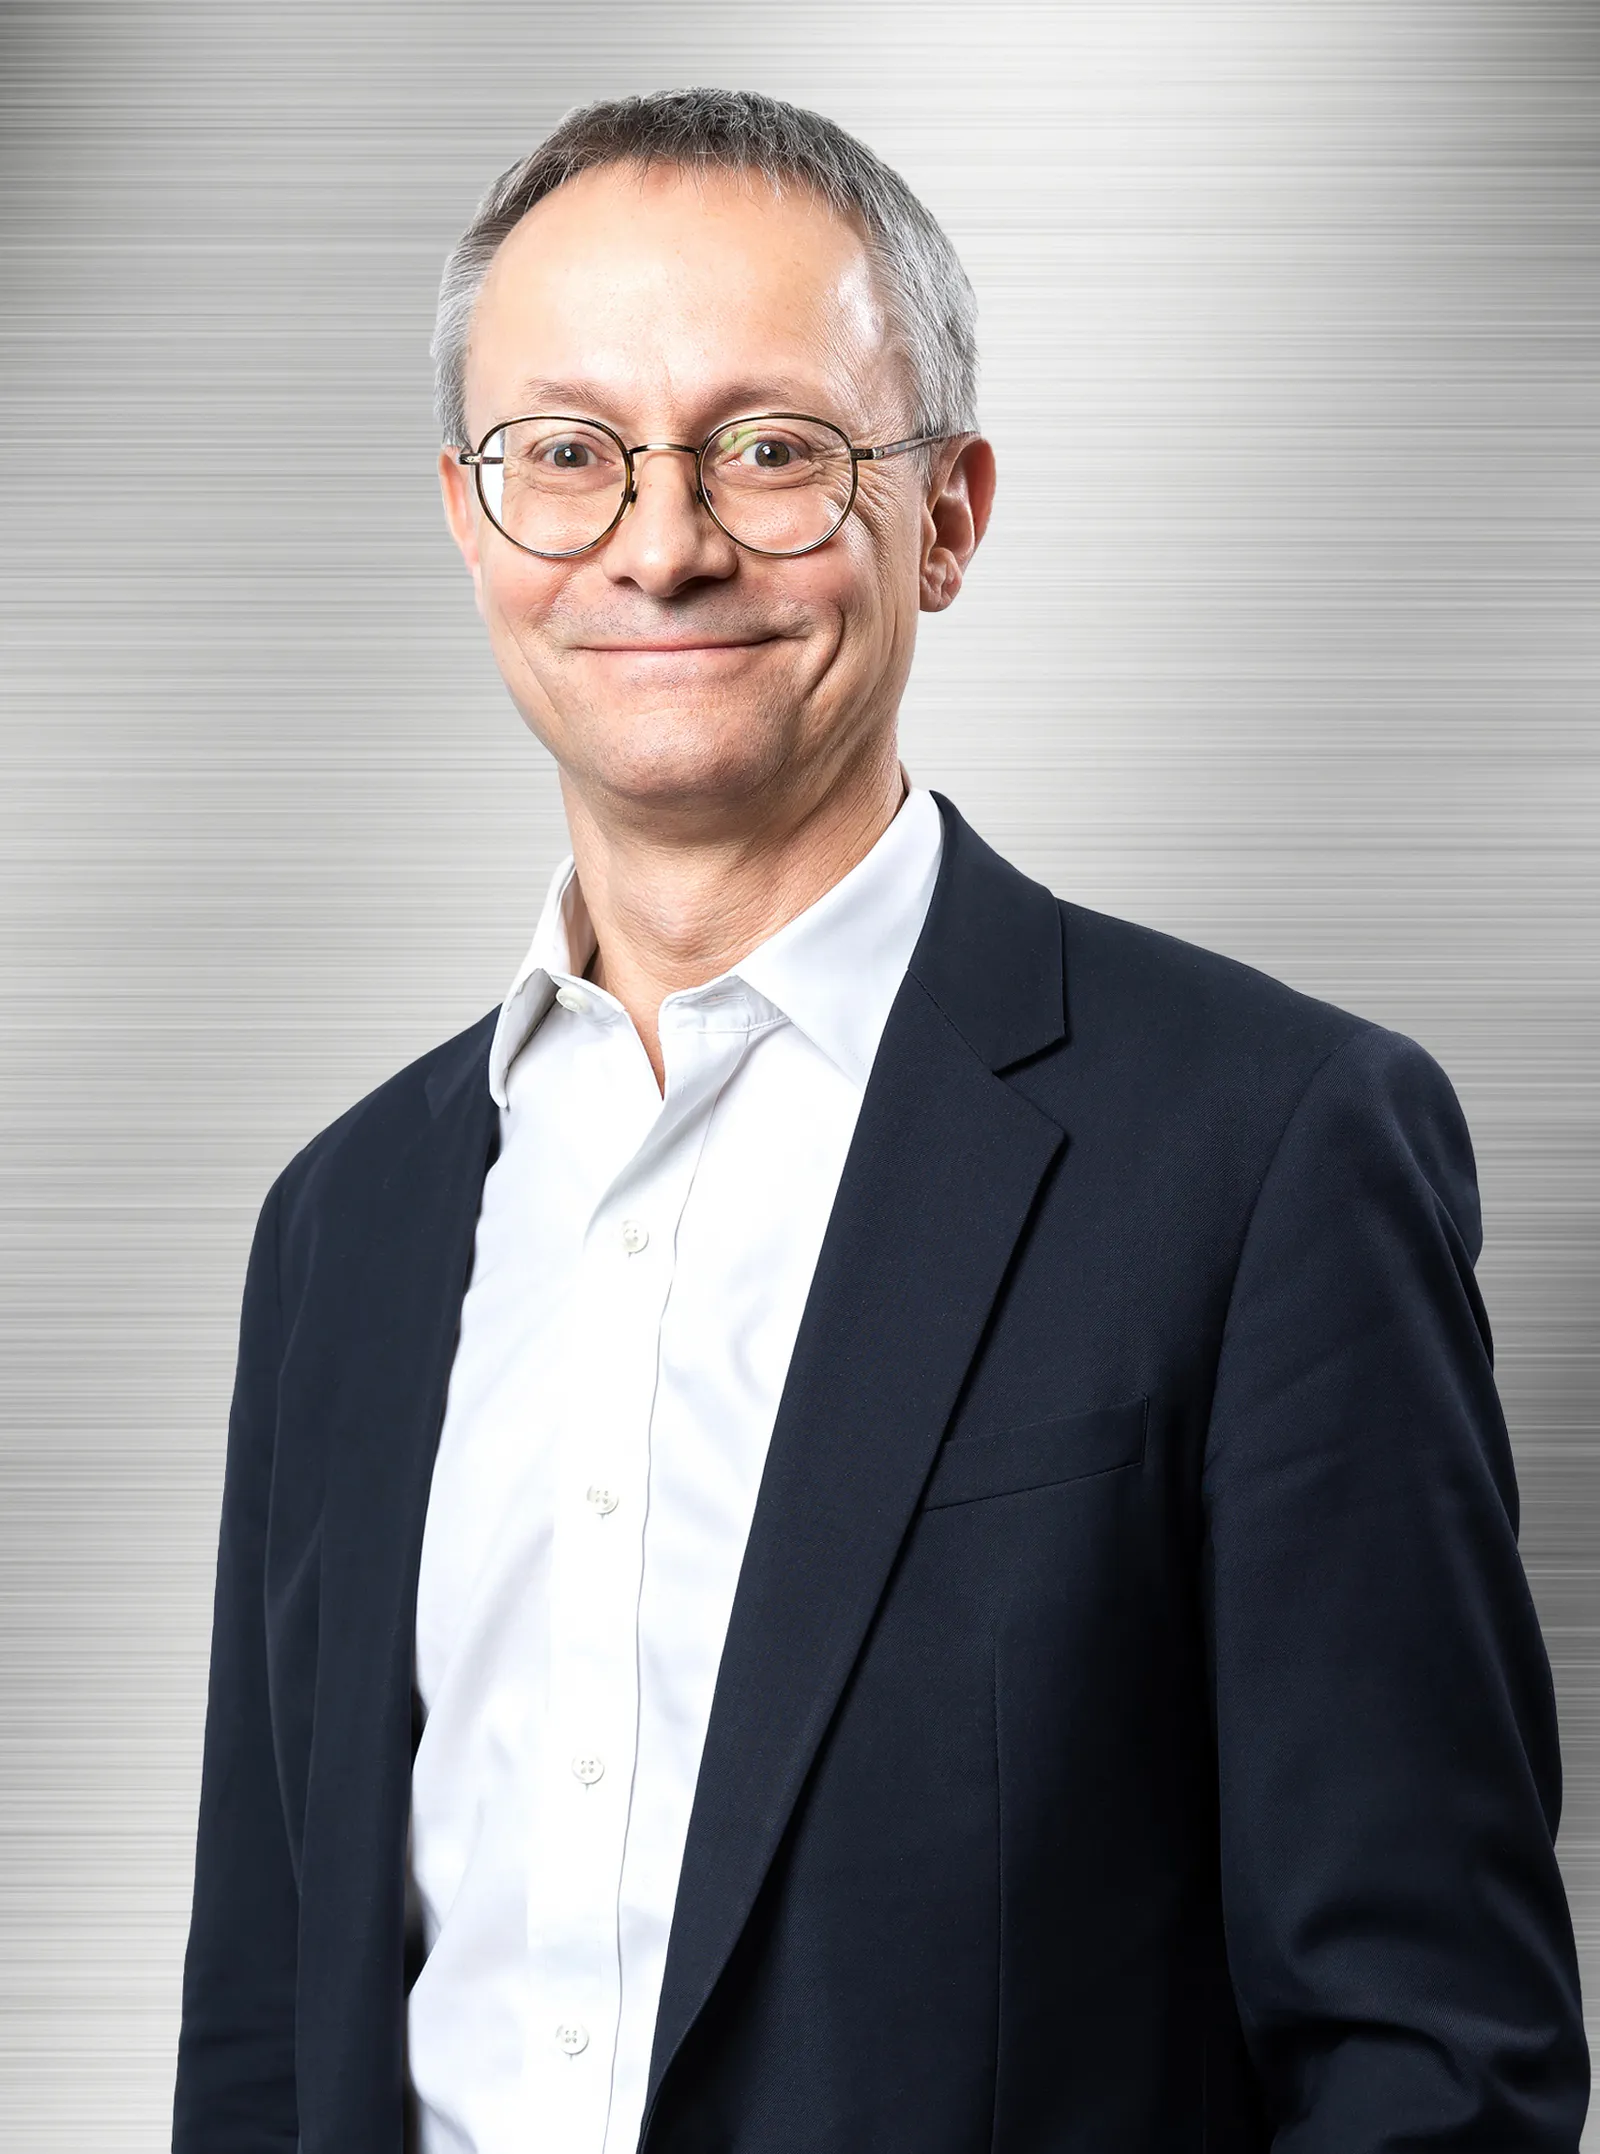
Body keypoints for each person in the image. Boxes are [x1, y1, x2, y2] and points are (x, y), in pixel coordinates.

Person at [171, 87, 1588, 2154]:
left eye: (770, 448)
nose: (660, 542)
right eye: (565, 455)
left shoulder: (1264, 1151)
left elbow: (1428, 2068)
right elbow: (264, 2046)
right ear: (471, 520)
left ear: (944, 515)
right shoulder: (343, 1228)